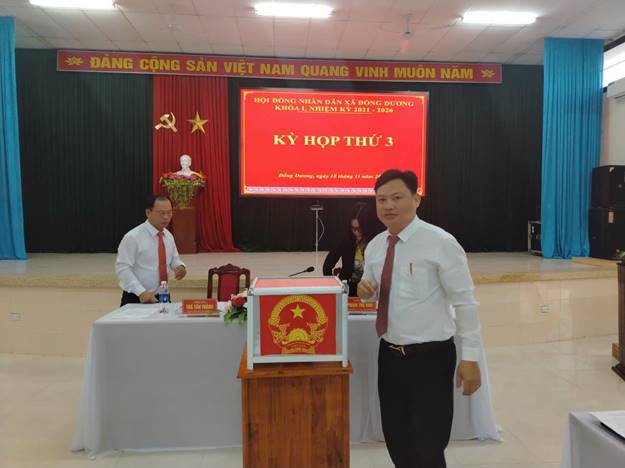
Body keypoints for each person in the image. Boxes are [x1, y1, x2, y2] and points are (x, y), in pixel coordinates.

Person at [357, 169, 482, 468]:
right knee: (397, 441)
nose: (388, 206)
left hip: (431, 359)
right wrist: (365, 291)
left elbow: (465, 302)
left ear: (416, 199)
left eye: (397, 197)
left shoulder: (440, 242)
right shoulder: (376, 246)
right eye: (381, 199)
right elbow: (373, 292)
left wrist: (470, 357)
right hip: (389, 356)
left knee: (428, 446)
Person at [115, 195, 187, 306]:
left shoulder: (168, 236)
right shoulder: (133, 237)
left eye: (169, 212)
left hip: (163, 294)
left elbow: (174, 259)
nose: (166, 217)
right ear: (148, 212)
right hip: (137, 297)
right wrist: (141, 292)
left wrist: (180, 267)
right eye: (161, 213)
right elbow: (123, 269)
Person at [323, 202, 373, 296]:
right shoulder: (345, 241)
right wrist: (333, 286)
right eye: (353, 228)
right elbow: (327, 266)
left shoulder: (376, 242)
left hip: (371, 291)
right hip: (348, 290)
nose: (357, 232)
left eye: (360, 228)